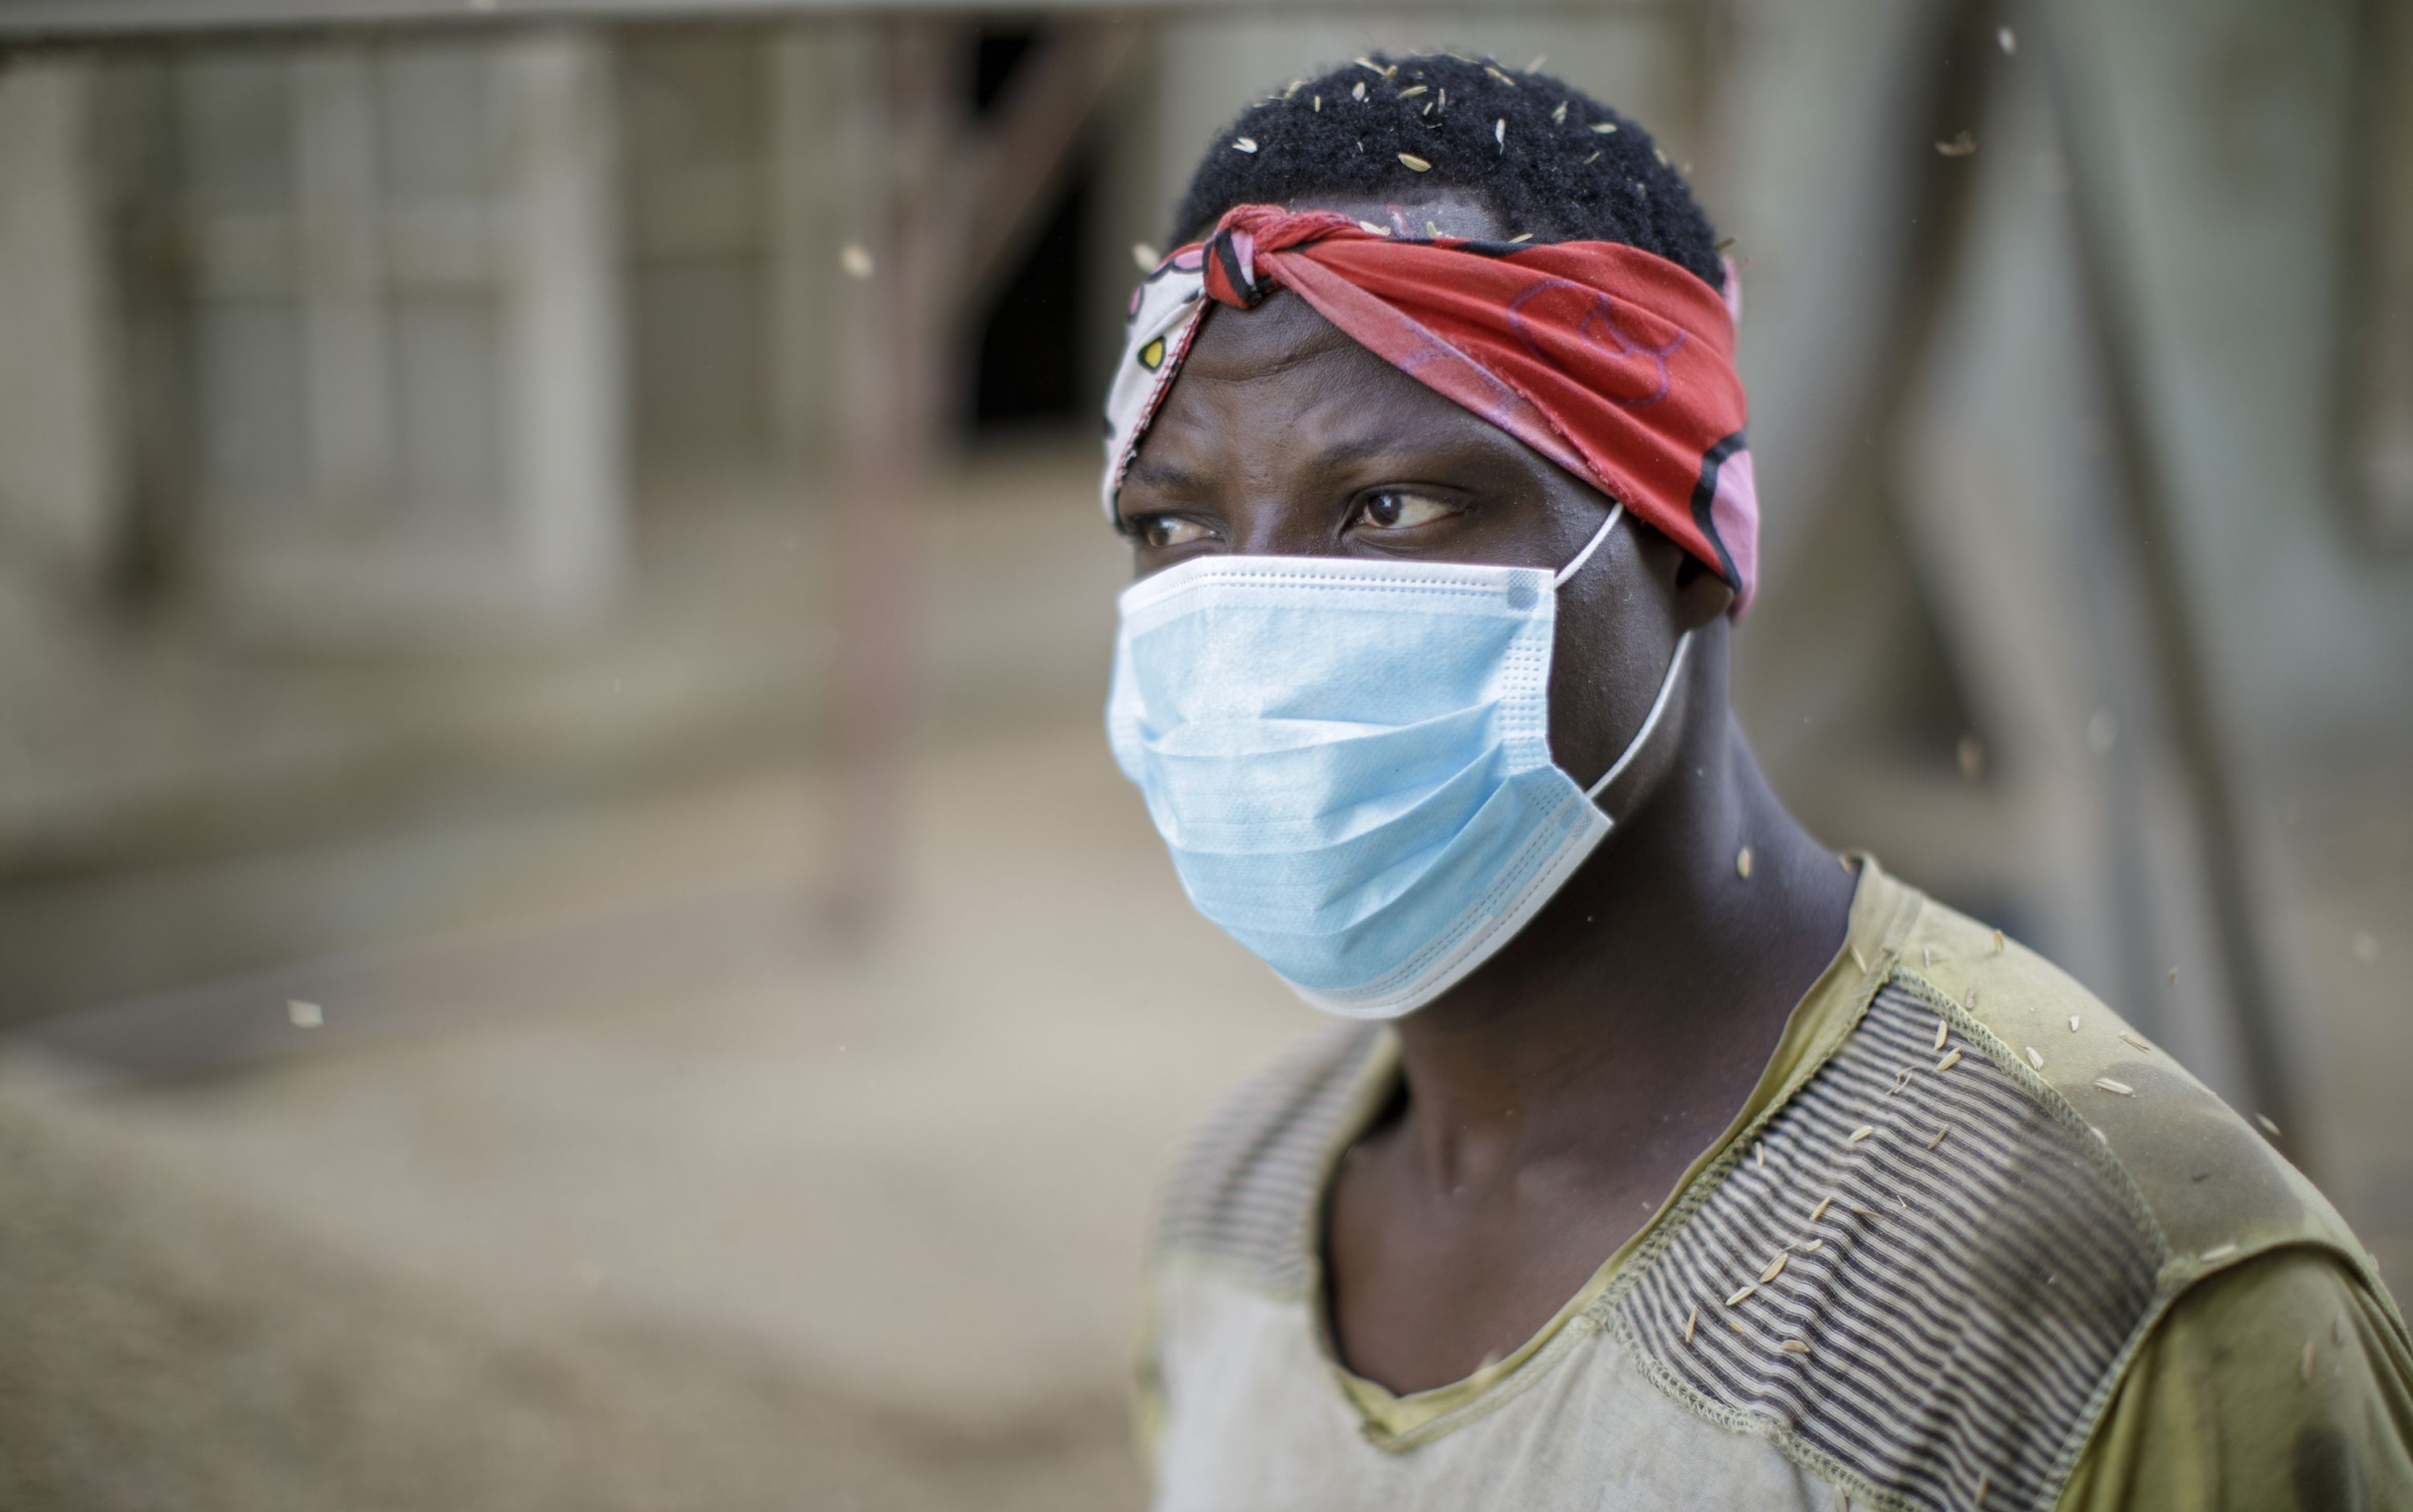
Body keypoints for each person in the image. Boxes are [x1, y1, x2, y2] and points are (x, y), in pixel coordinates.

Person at [1097, 50, 2413, 1512]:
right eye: (1172, 528)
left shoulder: (2102, 1290)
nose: (1253, 628)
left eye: (1389, 507)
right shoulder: (1237, 1222)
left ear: (1682, 542)